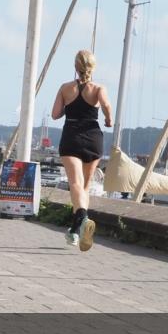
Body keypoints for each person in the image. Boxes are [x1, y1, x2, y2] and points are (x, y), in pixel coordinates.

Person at [51, 50, 112, 252]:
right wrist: (108, 120)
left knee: (75, 184)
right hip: (93, 138)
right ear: (92, 68)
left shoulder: (65, 88)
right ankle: (76, 232)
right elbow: (106, 105)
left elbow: (55, 115)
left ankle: (83, 219)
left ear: (75, 67)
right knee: (85, 186)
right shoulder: (98, 88)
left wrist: (69, 106)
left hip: (72, 137)